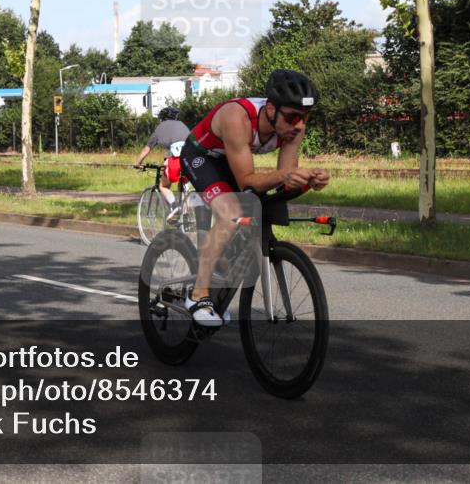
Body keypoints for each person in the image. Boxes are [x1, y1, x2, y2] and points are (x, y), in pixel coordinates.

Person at [179, 70, 330, 327]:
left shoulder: (293, 127)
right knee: (230, 215)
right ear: (271, 109)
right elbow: (247, 180)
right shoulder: (237, 118)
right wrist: (286, 175)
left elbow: (284, 182)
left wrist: (309, 182)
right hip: (201, 157)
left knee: (256, 211)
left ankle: (221, 262)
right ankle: (198, 295)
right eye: (293, 117)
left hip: (233, 159)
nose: (299, 125)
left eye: (305, 117)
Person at [133, 106, 190, 222]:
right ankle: (186, 216)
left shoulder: (159, 128)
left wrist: (138, 163)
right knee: (183, 185)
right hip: (190, 159)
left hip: (175, 160)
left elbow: (147, 149)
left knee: (163, 186)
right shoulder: (182, 125)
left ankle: (175, 208)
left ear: (162, 118)